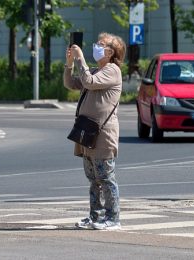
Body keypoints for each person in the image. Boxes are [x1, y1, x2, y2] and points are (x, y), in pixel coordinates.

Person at [64, 32, 126, 230]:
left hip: (103, 133)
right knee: (93, 178)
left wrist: (80, 58)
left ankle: (113, 218)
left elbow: (89, 82)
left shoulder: (112, 70)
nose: (96, 47)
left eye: (101, 44)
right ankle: (95, 216)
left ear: (110, 52)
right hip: (87, 130)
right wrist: (70, 64)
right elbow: (72, 84)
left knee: (106, 177)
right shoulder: (94, 71)